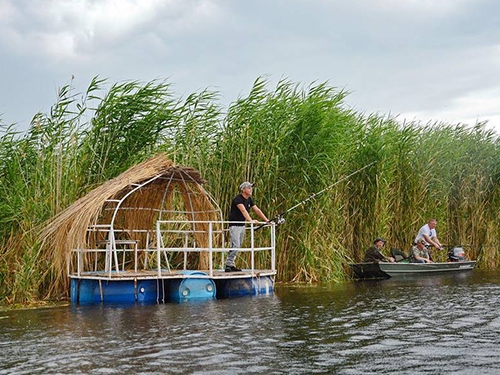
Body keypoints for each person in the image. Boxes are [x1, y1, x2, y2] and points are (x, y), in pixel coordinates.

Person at [226, 181, 270, 272]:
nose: (251, 190)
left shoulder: (249, 199)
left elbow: (257, 210)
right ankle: (228, 264)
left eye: (251, 188)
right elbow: (243, 210)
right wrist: (250, 221)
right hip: (234, 225)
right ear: (243, 190)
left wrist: (267, 221)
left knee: (239, 245)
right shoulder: (238, 199)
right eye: (249, 188)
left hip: (242, 225)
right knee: (236, 245)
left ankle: (231, 264)